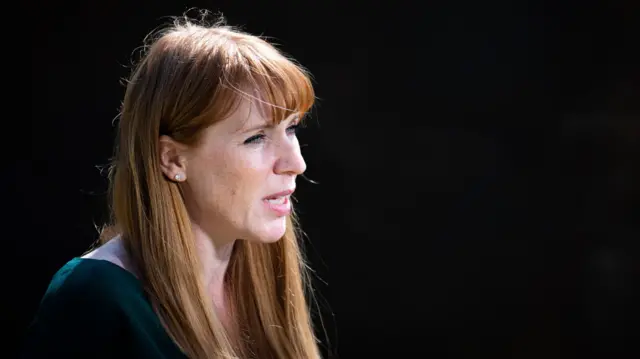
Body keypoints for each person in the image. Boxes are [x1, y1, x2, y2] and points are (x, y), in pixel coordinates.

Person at [22, 13, 322, 359]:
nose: (296, 163)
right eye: (256, 137)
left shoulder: (261, 281)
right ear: (173, 160)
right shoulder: (93, 298)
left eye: (292, 128)